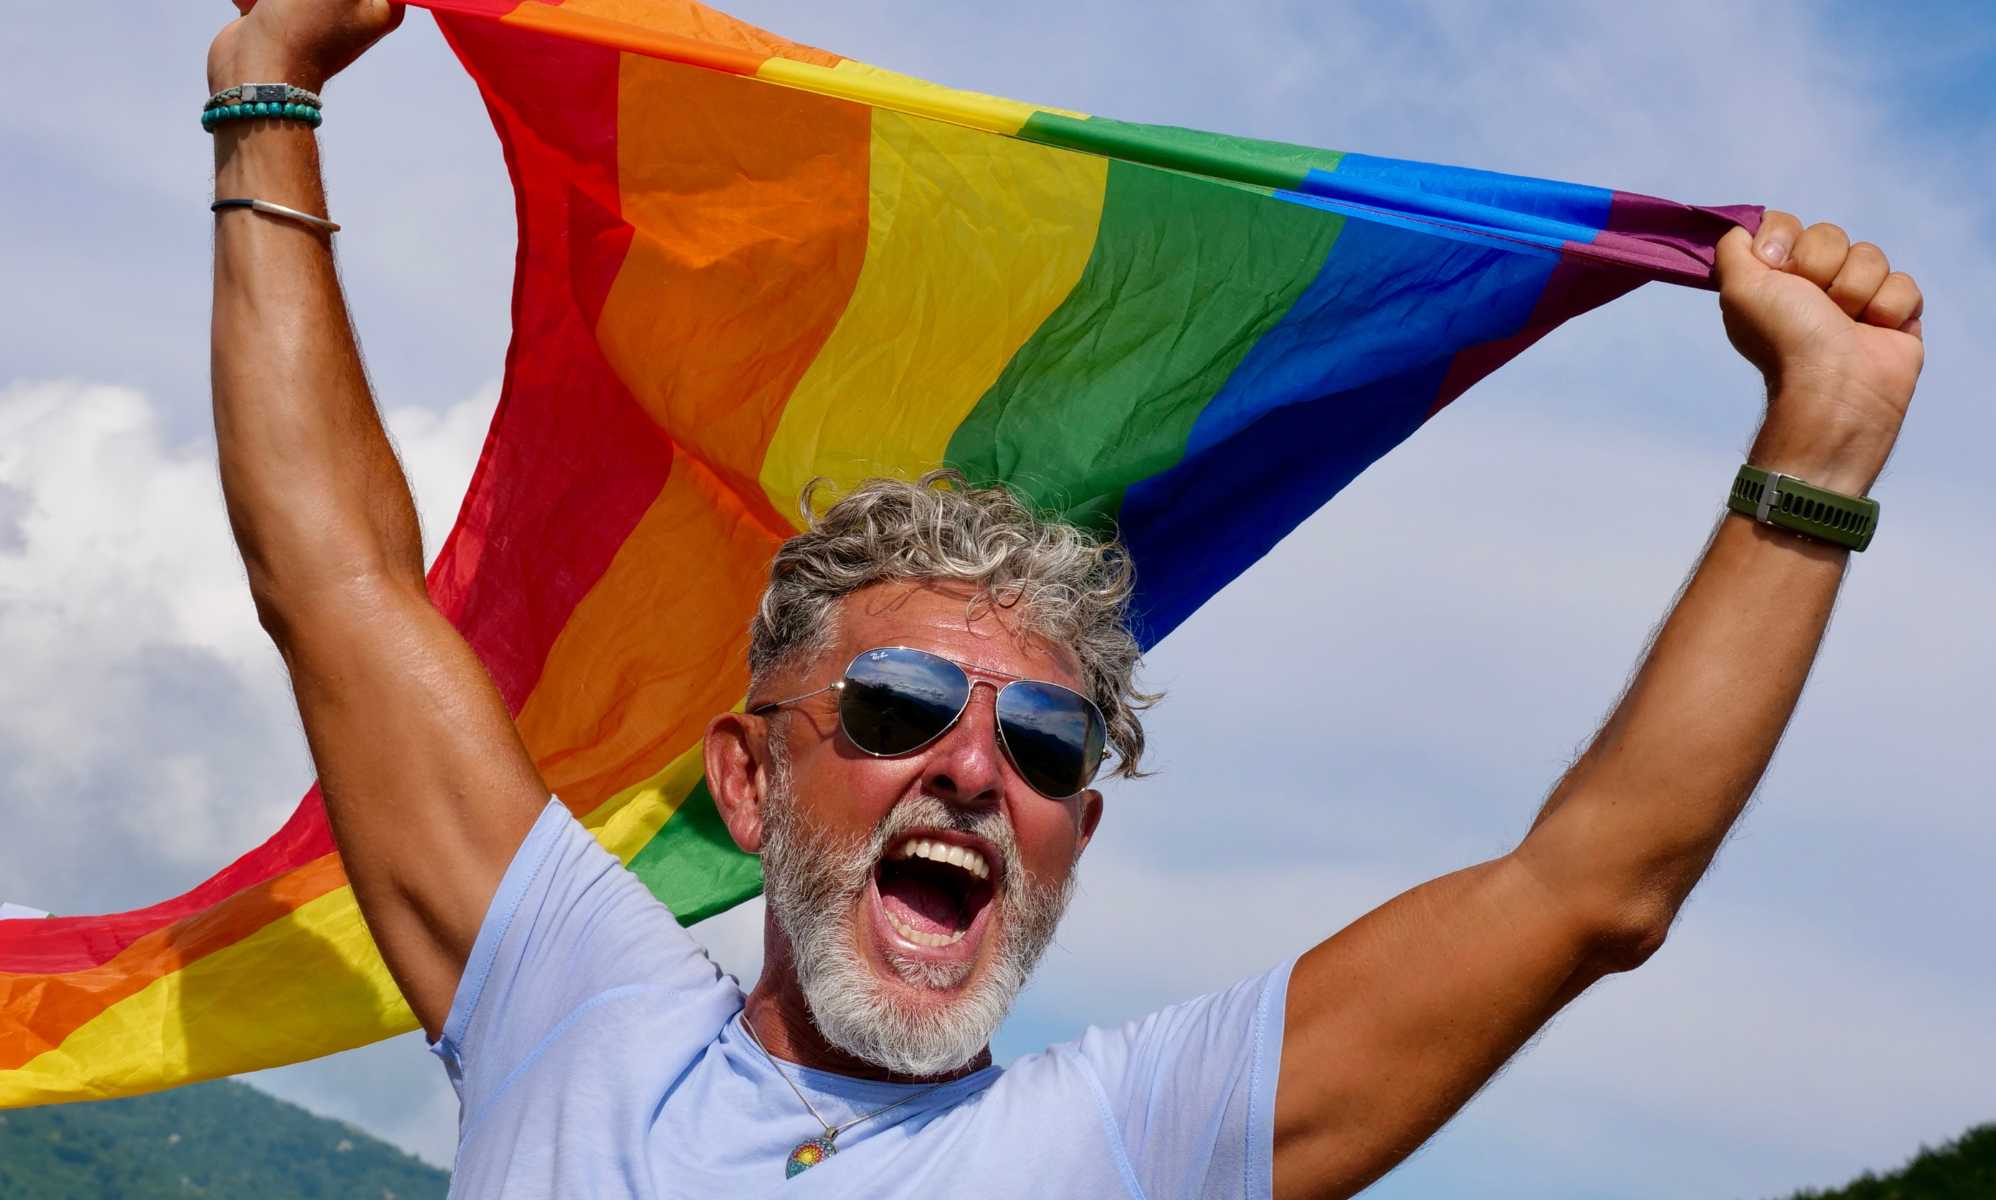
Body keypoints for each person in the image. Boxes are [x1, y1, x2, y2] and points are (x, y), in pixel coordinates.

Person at [204, 2, 1925, 1197]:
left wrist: (1824, 447)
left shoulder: (1135, 1143)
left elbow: (1591, 888)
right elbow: (339, 584)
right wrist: (271, 85)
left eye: (1041, 741)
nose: (973, 768)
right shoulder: (574, 1016)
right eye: (894, 710)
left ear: (1076, 832)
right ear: (748, 778)